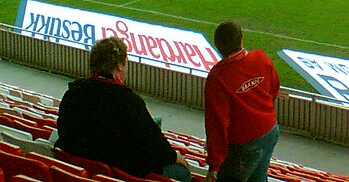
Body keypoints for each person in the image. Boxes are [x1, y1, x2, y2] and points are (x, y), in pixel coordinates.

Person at [55, 37, 190, 182]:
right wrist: (174, 156)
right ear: (119, 66)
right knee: (182, 171)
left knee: (155, 122)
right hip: (122, 167)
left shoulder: (73, 93)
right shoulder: (129, 102)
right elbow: (156, 149)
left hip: (85, 160)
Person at [204, 20, 280, 182]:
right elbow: (273, 90)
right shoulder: (261, 58)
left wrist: (214, 165)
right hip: (270, 131)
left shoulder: (218, 78)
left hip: (245, 144)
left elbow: (216, 123)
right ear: (241, 40)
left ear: (217, 45)